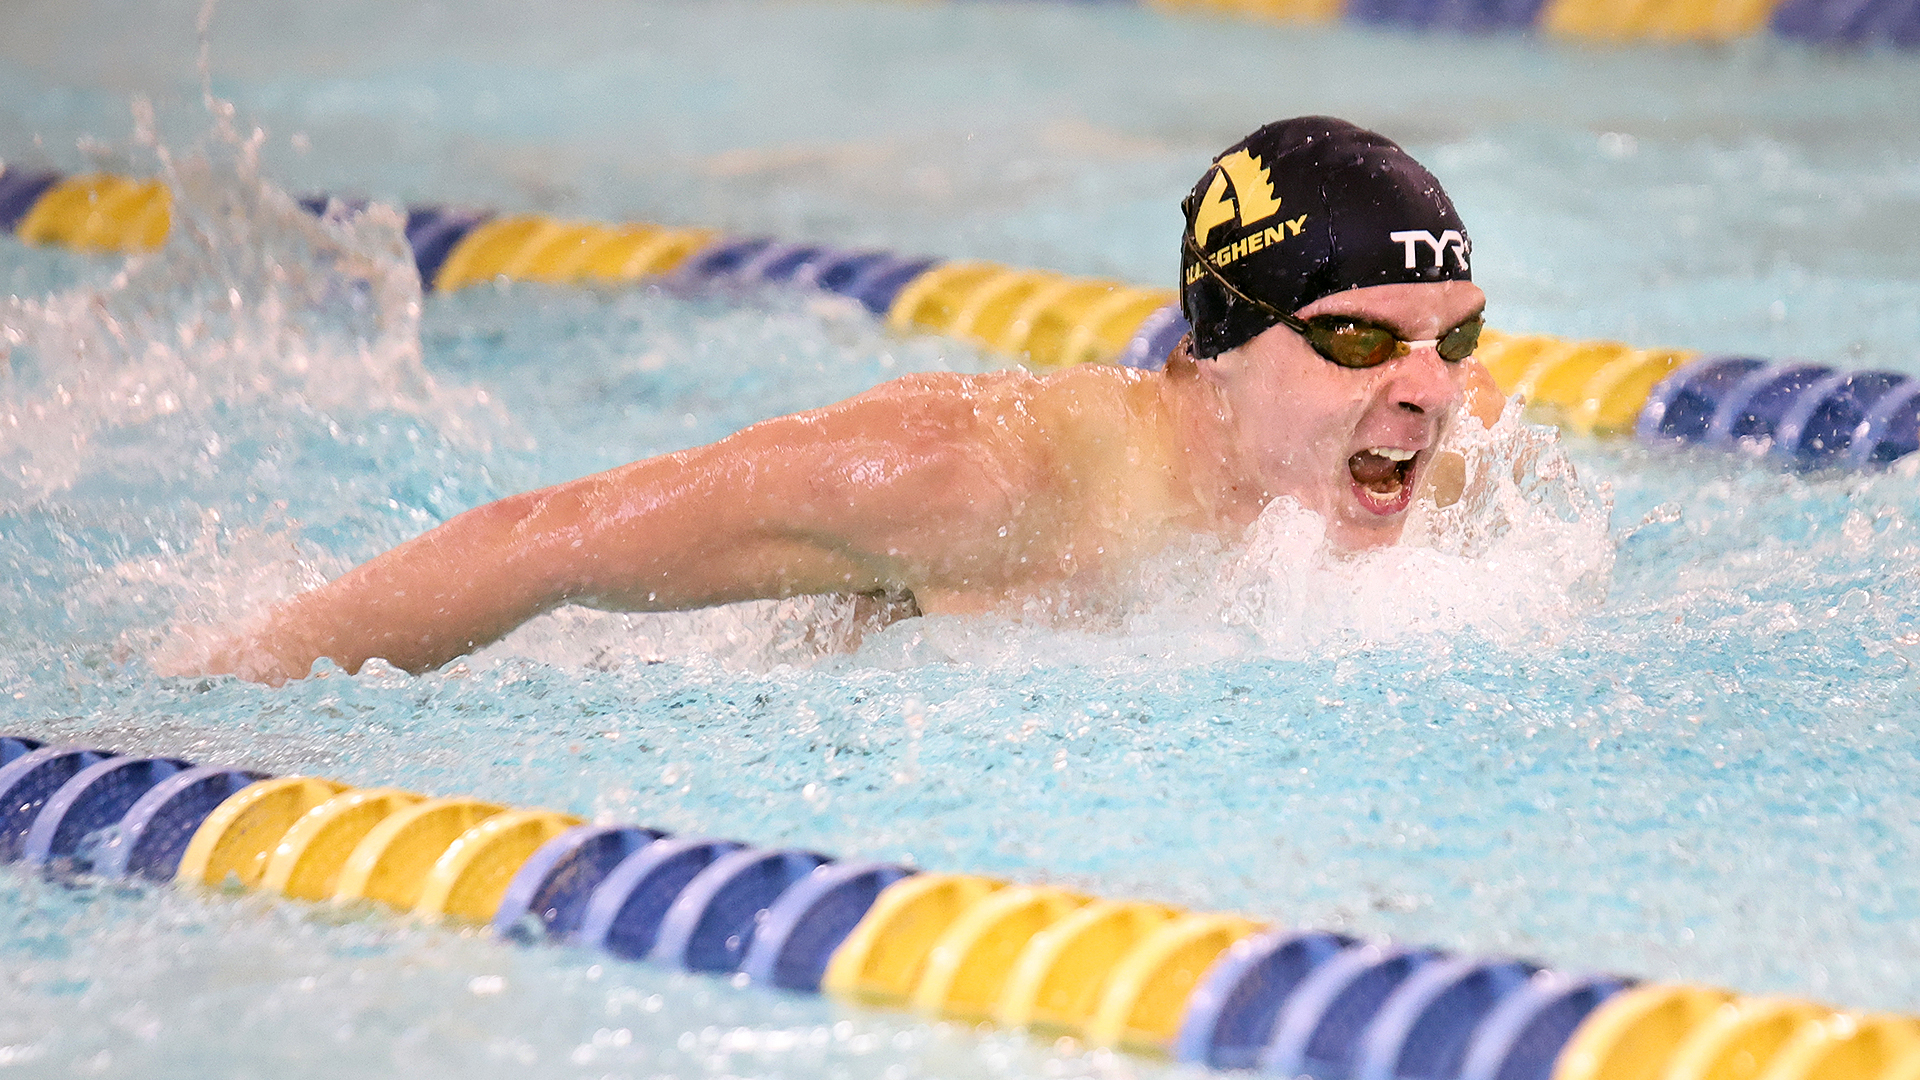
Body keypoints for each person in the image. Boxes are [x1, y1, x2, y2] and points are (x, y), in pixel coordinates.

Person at [183, 116, 1502, 685]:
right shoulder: (983, 479)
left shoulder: (1432, 440)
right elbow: (550, 538)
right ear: (1217, 341)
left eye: (1455, 340)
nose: (1428, 394)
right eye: (1355, 344)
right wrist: (219, 685)